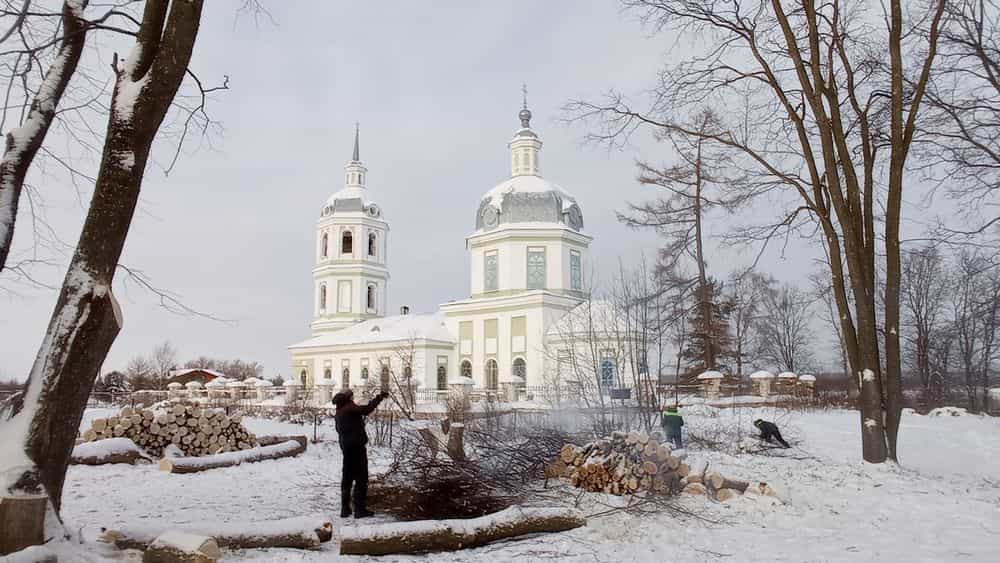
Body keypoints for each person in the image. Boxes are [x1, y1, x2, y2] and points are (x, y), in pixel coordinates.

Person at [333, 389, 389, 518]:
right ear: (349, 397)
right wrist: (379, 397)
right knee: (361, 478)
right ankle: (360, 509)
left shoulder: (339, 411)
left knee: (346, 479)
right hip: (357, 448)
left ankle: (345, 509)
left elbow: (339, 430)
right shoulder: (349, 407)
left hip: (346, 449)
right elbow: (367, 409)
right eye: (352, 397)